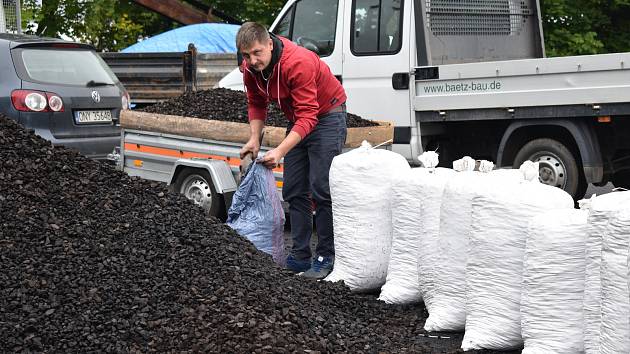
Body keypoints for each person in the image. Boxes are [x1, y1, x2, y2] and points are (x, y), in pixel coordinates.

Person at [236, 22, 347, 279]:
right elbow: (256, 101)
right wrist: (255, 138)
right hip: (298, 118)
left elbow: (310, 116)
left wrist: (280, 151)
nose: (252, 61)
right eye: (246, 55)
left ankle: (325, 256)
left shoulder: (298, 62)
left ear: (269, 44)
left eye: (256, 53)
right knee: (295, 189)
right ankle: (299, 256)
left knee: (322, 188)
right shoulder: (250, 69)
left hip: (327, 115)